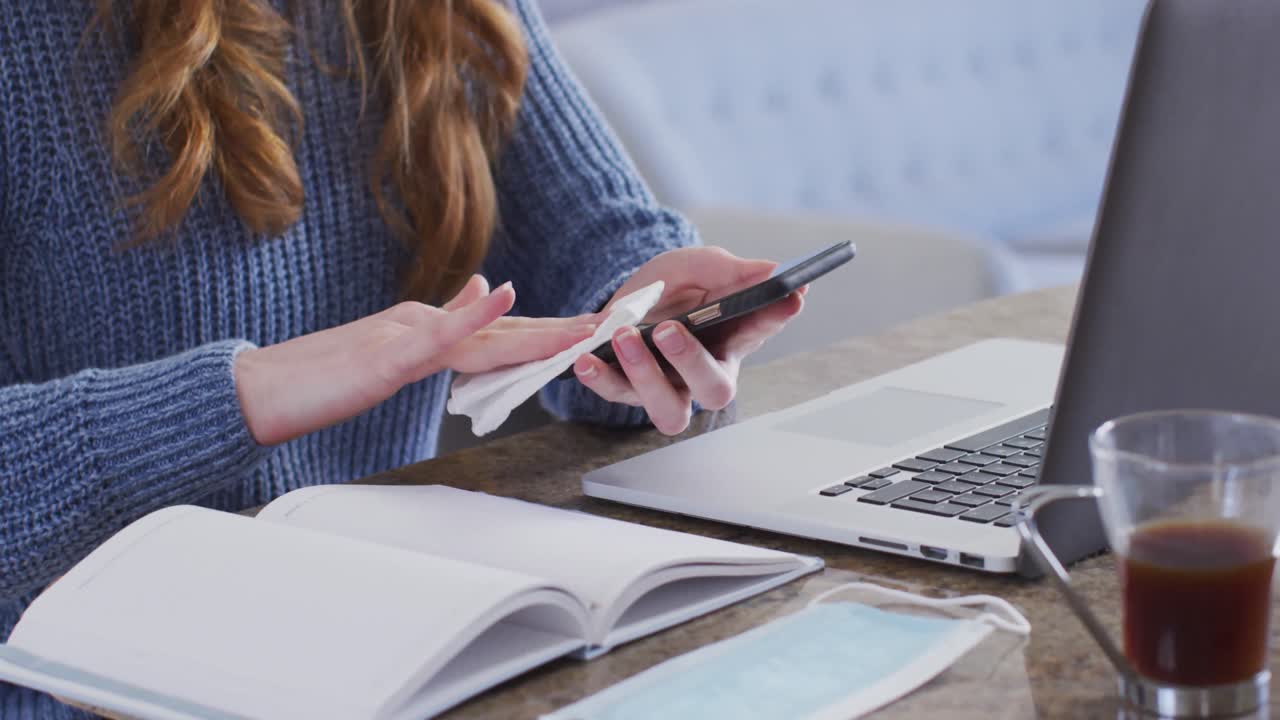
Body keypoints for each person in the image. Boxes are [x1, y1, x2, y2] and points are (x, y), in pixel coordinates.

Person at [0, 0, 805, 716]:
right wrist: (243, 394)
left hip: (403, 648)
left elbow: (599, 235)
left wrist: (644, 323)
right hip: (93, 688)